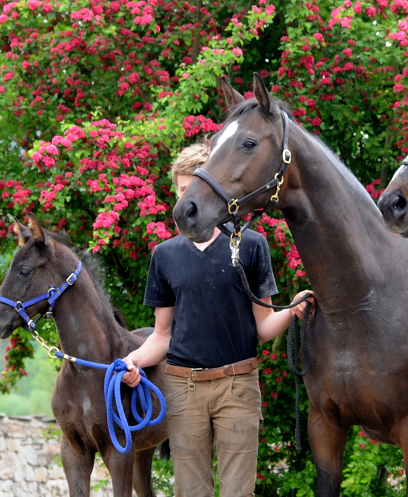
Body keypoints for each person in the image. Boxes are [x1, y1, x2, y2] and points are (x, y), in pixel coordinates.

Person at [122, 143, 314, 497]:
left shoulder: (252, 246)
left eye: (195, 187)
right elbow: (162, 335)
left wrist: (292, 309)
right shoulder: (164, 256)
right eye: (182, 190)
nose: (189, 197)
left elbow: (263, 328)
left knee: (238, 492)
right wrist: (131, 361)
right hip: (182, 388)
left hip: (238, 386)